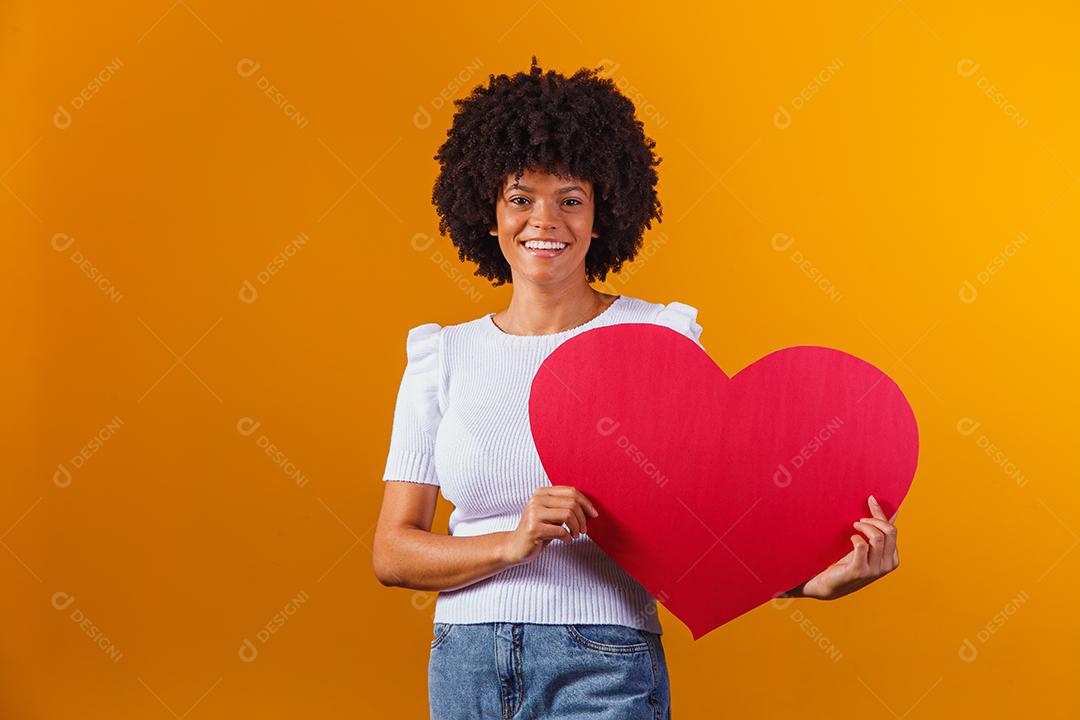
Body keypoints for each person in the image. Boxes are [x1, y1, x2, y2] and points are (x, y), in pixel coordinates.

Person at [373, 57, 899, 720]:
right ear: (487, 211)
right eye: (521, 198)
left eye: (570, 200)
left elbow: (712, 529)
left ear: (602, 215)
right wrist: (511, 543)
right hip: (464, 662)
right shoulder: (441, 356)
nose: (545, 220)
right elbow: (393, 551)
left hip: (604, 659)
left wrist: (809, 581)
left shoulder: (658, 341)